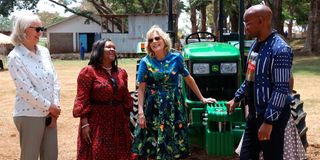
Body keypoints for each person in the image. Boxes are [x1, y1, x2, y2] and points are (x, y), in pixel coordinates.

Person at [131, 25, 217, 159]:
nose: (154, 41)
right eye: (150, 40)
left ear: (164, 40)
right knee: (152, 142)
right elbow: (141, 88)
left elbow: (188, 79)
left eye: (157, 38)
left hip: (173, 105)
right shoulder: (145, 62)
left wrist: (202, 98)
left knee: (174, 140)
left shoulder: (176, 58)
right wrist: (140, 112)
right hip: (153, 107)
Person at [226, 5, 293, 160]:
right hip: (254, 116)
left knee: (272, 156)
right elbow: (250, 79)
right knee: (247, 156)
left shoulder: (280, 49)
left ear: (261, 21)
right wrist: (236, 98)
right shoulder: (255, 47)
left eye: (247, 23)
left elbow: (281, 88)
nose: (245, 27)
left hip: (272, 117)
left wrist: (269, 121)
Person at [7, 13, 61, 160]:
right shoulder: (15, 57)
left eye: (42, 28)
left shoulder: (44, 52)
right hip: (29, 115)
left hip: (50, 114)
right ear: (24, 30)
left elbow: (54, 80)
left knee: (51, 156)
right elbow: (26, 91)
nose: (41, 32)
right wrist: (50, 107)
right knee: (29, 157)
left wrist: (55, 108)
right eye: (37, 29)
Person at [73, 39, 133, 160]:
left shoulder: (121, 73)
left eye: (114, 47)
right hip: (98, 121)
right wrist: (85, 124)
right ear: (99, 50)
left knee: (120, 152)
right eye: (108, 47)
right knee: (98, 152)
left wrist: (127, 121)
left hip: (118, 120)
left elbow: (126, 97)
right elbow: (82, 99)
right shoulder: (88, 72)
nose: (112, 49)